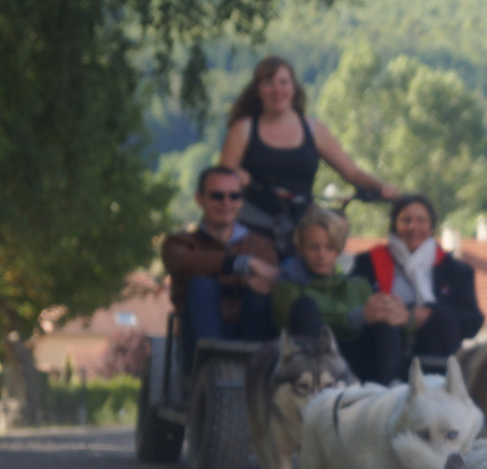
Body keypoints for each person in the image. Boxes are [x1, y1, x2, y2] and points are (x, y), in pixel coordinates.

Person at [220, 55, 400, 259]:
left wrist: (381, 187)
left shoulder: (314, 130)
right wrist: (238, 178)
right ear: (258, 90)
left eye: (283, 82)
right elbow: (221, 180)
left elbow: (351, 172)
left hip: (301, 228)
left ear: (293, 88)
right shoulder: (243, 130)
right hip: (253, 228)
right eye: (268, 83)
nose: (277, 90)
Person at [161, 165, 279, 376]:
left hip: (251, 332)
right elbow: (188, 262)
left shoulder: (263, 246)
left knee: (260, 297)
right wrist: (245, 266)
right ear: (200, 199)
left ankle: (252, 371)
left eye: (234, 196)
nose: (226, 203)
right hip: (199, 337)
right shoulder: (180, 243)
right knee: (201, 285)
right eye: (217, 196)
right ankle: (214, 369)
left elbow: (270, 280)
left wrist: (230, 273)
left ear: (241, 200)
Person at [350, 193, 485, 376]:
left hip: (437, 359)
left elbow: (473, 323)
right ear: (394, 225)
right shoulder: (367, 264)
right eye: (406, 220)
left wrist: (425, 315)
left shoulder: (456, 271)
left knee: (441, 318)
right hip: (379, 358)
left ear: (431, 227)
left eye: (421, 220)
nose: (413, 227)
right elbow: (348, 315)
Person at [270, 205, 401, 385]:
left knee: (386, 323)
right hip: (310, 371)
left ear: (339, 249)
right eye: (314, 247)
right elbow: (314, 317)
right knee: (305, 308)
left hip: (359, 363)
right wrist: (358, 316)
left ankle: (383, 395)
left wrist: (400, 315)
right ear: (301, 248)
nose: (322, 255)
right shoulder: (285, 288)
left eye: (329, 247)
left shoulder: (359, 286)